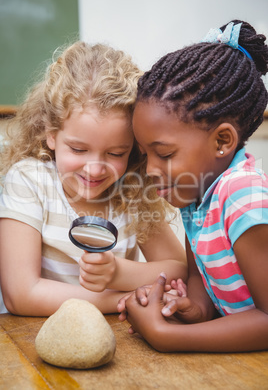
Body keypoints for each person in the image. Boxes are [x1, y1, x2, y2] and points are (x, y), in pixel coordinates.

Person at [0, 42, 187, 316]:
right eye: (78, 149)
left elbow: (180, 270)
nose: (95, 170)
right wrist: (122, 299)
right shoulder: (29, 181)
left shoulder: (133, 191)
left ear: (134, 148)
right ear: (51, 133)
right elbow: (21, 295)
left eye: (115, 153)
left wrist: (118, 273)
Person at [122, 20, 268, 352]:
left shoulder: (242, 196)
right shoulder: (196, 200)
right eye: (145, 155)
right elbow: (203, 293)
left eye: (164, 154)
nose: (151, 170)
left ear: (222, 141)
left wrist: (166, 335)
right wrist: (183, 309)